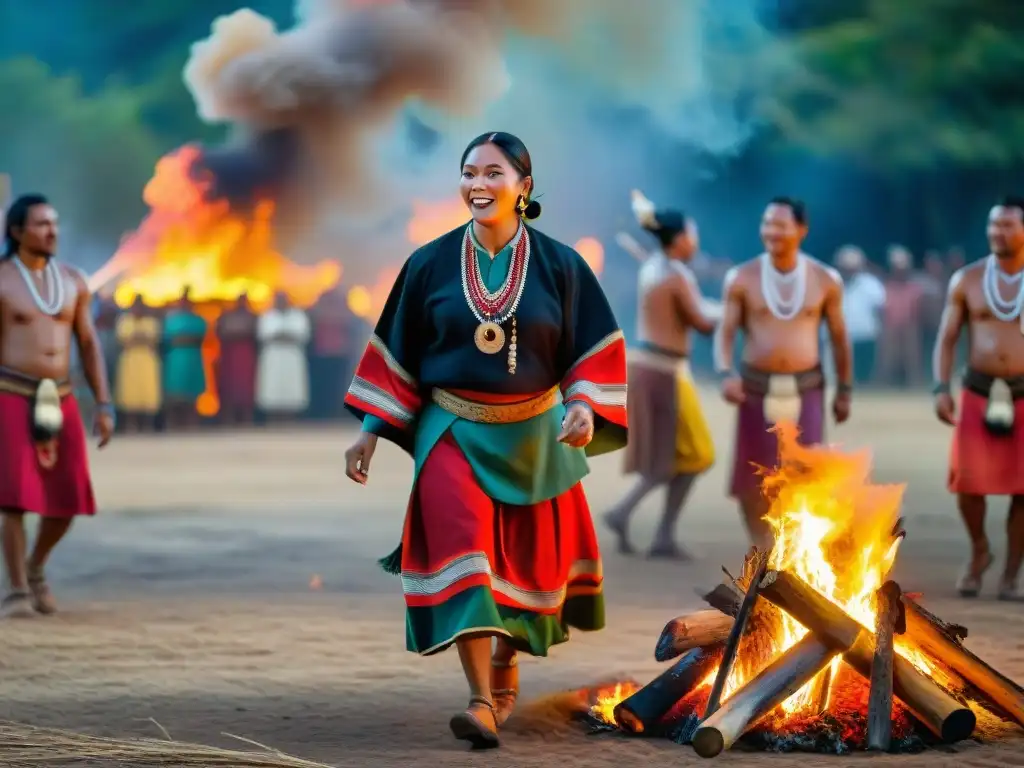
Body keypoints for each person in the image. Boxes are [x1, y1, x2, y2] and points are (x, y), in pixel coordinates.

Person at [342, 132, 627, 749]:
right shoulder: (428, 264)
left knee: (519, 570)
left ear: (524, 185)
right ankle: (480, 701)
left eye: (493, 173)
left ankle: (504, 667)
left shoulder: (563, 265)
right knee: (465, 558)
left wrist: (581, 407)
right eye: (469, 172)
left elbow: (592, 352)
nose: (478, 183)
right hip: (451, 432)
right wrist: (369, 431)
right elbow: (399, 350)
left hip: (535, 438)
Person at [715, 197, 852, 549]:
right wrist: (724, 372)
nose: (771, 231)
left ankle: (795, 551)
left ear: (801, 230)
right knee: (751, 480)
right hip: (755, 391)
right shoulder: (742, 277)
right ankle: (762, 549)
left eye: (780, 224)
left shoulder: (825, 279)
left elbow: (839, 338)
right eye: (767, 223)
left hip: (807, 388)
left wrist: (845, 389)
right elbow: (726, 332)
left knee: (807, 476)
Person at [0, 193, 114, 619]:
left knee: (67, 497)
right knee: (12, 498)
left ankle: (35, 567)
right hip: (10, 393)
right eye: (42, 224)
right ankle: (14, 590)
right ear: (16, 232)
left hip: (61, 396)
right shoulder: (3, 280)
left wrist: (104, 404)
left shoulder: (73, 280)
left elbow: (88, 343)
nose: (52, 231)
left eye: (55, 223)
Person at [604, 190, 716, 559]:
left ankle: (650, 528)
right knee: (692, 455)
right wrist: (736, 311)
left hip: (654, 369)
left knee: (676, 457)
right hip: (664, 372)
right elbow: (702, 323)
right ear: (681, 239)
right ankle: (636, 519)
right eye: (693, 234)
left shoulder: (655, 266)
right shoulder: (674, 275)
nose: (695, 241)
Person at [933, 196, 1024, 601]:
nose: (996, 232)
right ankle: (979, 551)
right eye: (993, 225)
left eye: (1006, 225)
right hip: (977, 391)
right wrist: (940, 387)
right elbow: (947, 338)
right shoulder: (967, 280)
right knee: (968, 484)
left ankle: (1011, 572)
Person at [834, 245, 885, 386]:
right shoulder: (832, 283)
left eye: (852, 268)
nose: (848, 271)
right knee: (842, 377)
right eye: (845, 267)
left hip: (866, 338)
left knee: (865, 378)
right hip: (840, 339)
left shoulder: (871, 284)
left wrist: (882, 334)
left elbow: (880, 310)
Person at [256, 293, 311, 422]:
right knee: (272, 387)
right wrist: (284, 335)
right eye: (278, 300)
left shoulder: (298, 315)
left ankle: (290, 419)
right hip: (273, 356)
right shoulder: (267, 315)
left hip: (292, 356)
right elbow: (263, 335)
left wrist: (281, 335)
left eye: (283, 300)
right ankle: (273, 419)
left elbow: (303, 334)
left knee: (292, 386)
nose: (280, 302)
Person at [876, 245, 925, 387]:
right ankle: (883, 387)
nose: (900, 271)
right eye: (897, 268)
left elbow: (918, 311)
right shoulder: (885, 287)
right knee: (887, 359)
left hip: (910, 327)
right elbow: (882, 310)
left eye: (902, 268)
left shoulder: (914, 287)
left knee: (912, 359)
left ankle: (916, 386)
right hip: (890, 327)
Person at [114, 296, 162, 432]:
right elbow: (124, 341)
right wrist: (141, 338)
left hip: (147, 360)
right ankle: (131, 425)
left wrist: (136, 338)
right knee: (129, 392)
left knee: (148, 391)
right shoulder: (125, 321)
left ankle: (147, 426)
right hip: (130, 360)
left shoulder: (151, 322)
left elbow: (153, 341)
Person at [162, 289, 207, 429]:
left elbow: (200, 337)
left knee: (191, 393)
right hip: (176, 359)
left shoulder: (198, 320)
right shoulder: (171, 320)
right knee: (174, 391)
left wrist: (183, 339)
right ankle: (173, 422)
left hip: (192, 358)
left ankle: (191, 423)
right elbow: (166, 339)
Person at [308, 286, 354, 420]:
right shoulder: (316, 312)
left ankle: (335, 413)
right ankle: (320, 411)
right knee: (321, 384)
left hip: (339, 354)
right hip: (321, 353)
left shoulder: (344, 312)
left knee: (337, 385)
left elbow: (349, 325)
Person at [216, 294, 258, 426]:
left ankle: (247, 419)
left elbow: (255, 332)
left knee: (246, 387)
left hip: (246, 357)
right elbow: (220, 332)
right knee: (229, 386)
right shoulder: (227, 317)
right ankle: (228, 418)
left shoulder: (252, 317)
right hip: (230, 357)